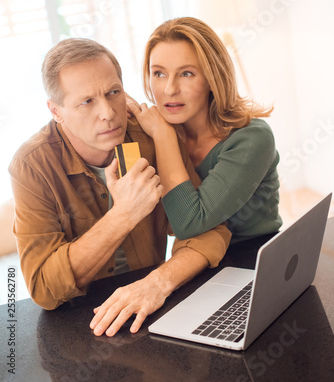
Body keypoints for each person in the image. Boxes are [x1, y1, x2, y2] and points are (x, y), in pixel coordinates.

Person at [8, 38, 231, 337]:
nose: (108, 113)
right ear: (56, 111)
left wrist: (158, 282)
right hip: (80, 327)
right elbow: (44, 288)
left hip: (153, 306)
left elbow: (209, 231)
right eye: (87, 101)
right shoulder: (31, 165)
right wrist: (123, 215)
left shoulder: (152, 138)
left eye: (113, 93)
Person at [127, 17, 283, 243]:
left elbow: (189, 223)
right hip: (194, 263)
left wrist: (164, 136)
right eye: (159, 73)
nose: (170, 89)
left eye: (186, 73)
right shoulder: (155, 130)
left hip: (254, 260)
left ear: (212, 77)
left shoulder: (252, 138)